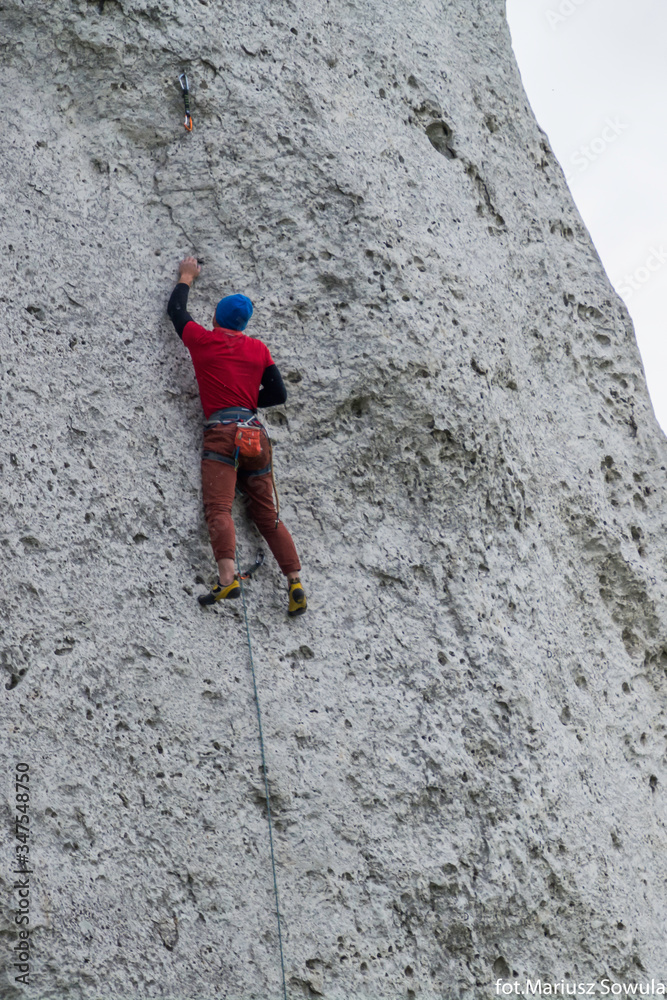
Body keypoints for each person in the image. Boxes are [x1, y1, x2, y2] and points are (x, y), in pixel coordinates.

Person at [167, 256, 307, 617]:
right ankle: (295, 582)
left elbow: (177, 312)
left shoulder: (203, 341)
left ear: (216, 318)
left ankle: (228, 577)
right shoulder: (258, 349)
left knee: (219, 508)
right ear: (244, 324)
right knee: (266, 515)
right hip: (254, 436)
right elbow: (278, 395)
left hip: (221, 435)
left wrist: (186, 276)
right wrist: (246, 401)